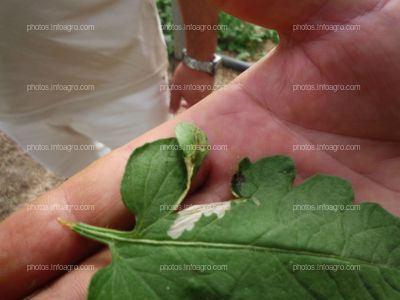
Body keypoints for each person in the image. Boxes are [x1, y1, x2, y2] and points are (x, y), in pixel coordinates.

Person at [1, 0, 400, 298]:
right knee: (86, 175)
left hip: (126, 74)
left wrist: (197, 56)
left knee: (148, 159)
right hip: (13, 101)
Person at [0, 0, 218, 178]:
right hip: (14, 106)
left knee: (163, 175)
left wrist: (199, 61)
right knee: (85, 181)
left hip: (124, 79)